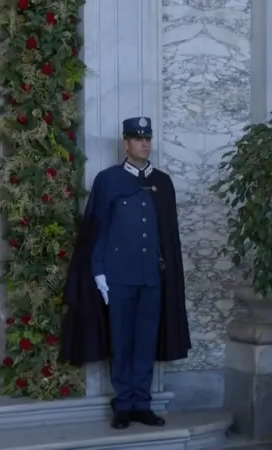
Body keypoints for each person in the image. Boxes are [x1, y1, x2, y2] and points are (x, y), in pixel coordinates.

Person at [60, 117, 191, 430]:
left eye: (147, 138)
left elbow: (168, 236)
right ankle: (123, 404)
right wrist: (99, 273)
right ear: (126, 143)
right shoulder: (109, 180)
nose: (144, 143)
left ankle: (141, 403)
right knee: (121, 341)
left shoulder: (163, 182)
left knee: (146, 341)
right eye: (137, 138)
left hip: (152, 279)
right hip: (118, 279)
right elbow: (97, 230)